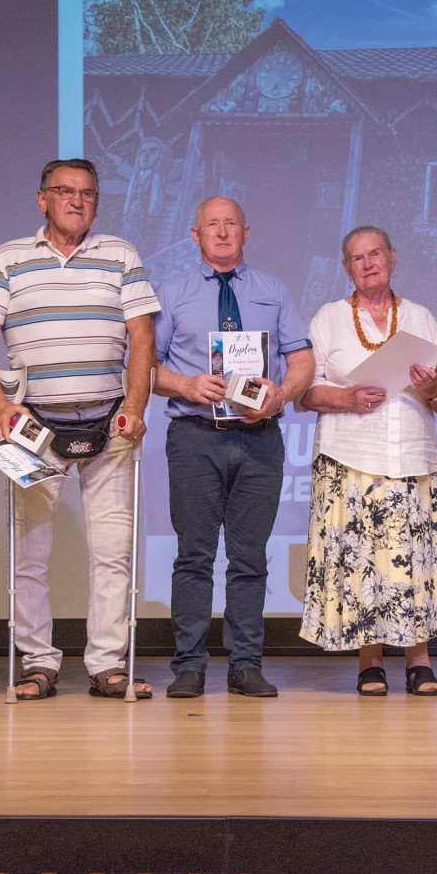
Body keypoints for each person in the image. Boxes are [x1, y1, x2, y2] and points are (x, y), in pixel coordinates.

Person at [0, 159, 159, 701]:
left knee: (113, 552)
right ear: (42, 198)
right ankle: (37, 663)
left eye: (88, 193)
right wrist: (1, 406)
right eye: (65, 191)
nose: (77, 200)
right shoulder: (9, 258)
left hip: (110, 422)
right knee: (29, 553)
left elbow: (142, 337)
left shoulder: (121, 255)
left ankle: (107, 664)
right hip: (34, 429)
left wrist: (136, 404)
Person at [151, 195, 314, 698]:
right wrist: (185, 385)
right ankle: (189, 666)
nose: (222, 232)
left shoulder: (273, 290)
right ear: (195, 235)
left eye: (231, 224)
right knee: (193, 556)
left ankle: (246, 665)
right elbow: (145, 369)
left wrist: (279, 396)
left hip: (259, 439)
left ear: (246, 232)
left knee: (250, 558)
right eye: (212, 225)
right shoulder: (172, 293)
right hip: (194, 436)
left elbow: (302, 360)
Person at [297, 226, 437, 696]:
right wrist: (346, 397)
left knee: (413, 558)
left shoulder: (421, 317)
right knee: (362, 561)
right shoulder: (328, 318)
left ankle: (419, 661)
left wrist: (432, 387)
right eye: (357, 258)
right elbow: (304, 392)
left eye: (375, 254)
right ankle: (370, 662)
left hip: (410, 456)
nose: (367, 264)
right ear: (347, 268)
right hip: (349, 458)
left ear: (392, 258)